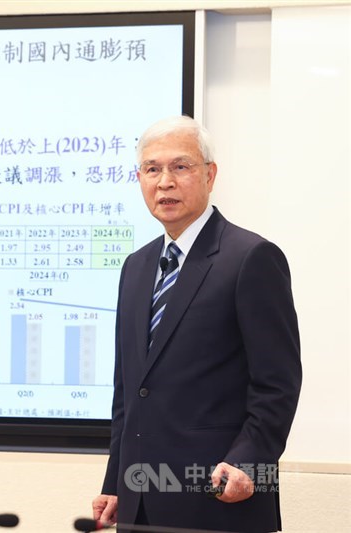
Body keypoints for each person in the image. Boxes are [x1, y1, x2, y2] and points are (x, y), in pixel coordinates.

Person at [92, 116, 302, 533]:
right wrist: (116, 481)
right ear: (140, 179)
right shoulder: (135, 267)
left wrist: (248, 463)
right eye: (152, 169)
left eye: (180, 167)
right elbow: (129, 393)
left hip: (219, 498)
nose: (165, 182)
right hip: (140, 504)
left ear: (210, 174)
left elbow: (277, 383)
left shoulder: (251, 258)